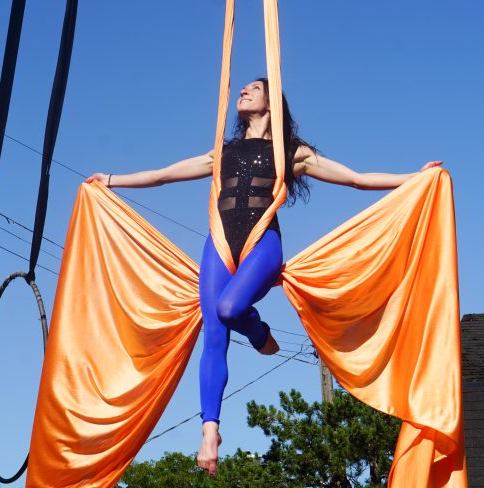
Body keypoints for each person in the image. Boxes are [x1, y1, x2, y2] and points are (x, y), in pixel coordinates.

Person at [86, 78, 442, 476]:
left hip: (263, 245)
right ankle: (210, 432)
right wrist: (111, 180)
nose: (243, 91)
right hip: (220, 243)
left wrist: (414, 178)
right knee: (214, 329)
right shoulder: (223, 153)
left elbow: (355, 178)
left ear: (272, 105)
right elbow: (164, 175)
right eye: (243, 88)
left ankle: (258, 333)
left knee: (228, 308)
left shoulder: (291, 152)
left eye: (253, 88)